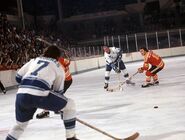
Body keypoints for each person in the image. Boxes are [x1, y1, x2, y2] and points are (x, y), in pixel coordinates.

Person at [5, 45, 79, 140]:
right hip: (40, 95)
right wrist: (61, 110)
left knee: (20, 125)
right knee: (70, 105)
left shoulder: (34, 60)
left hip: (21, 95)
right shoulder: (58, 67)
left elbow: (18, 78)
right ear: (57, 57)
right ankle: (70, 137)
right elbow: (58, 93)